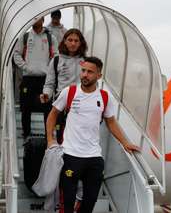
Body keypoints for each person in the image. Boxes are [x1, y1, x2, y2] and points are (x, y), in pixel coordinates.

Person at [46, 56, 140, 213]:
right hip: (70, 156)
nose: (85, 75)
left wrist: (125, 142)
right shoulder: (69, 92)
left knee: (88, 205)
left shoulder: (104, 97)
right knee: (67, 206)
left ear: (99, 76)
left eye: (90, 72)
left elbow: (111, 122)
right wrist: (50, 139)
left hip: (94, 158)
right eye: (83, 71)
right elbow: (53, 114)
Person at [13, 17, 58, 139]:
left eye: (37, 18)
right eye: (32, 18)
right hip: (28, 78)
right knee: (25, 107)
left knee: (47, 109)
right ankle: (26, 135)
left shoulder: (50, 38)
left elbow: (56, 56)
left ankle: (47, 136)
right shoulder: (25, 36)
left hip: (45, 80)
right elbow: (16, 54)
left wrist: (49, 69)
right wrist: (26, 67)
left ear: (43, 20)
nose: (34, 20)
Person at [40, 28, 87, 143]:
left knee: (77, 139)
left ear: (81, 43)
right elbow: (49, 84)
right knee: (60, 138)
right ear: (64, 41)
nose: (73, 43)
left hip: (80, 106)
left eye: (76, 40)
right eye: (70, 40)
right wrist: (46, 94)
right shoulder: (56, 60)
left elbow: (92, 84)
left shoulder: (86, 61)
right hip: (61, 106)